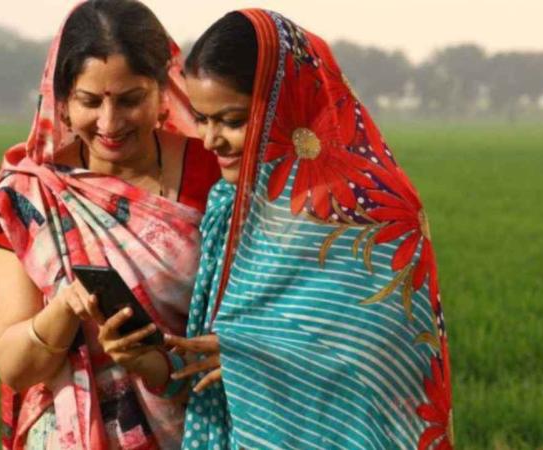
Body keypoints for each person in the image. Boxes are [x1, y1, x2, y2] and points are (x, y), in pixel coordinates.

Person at [165, 10, 454, 450]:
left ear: (287, 105)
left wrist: (249, 356)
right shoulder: (229, 203)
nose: (210, 140)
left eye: (233, 121)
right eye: (202, 119)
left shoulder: (370, 209)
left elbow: (385, 355)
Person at [0, 1, 220, 448]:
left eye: (130, 100)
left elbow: (260, 319)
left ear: (164, 90)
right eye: (90, 101)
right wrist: (65, 309)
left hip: (202, 426)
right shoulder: (29, 195)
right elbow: (14, 367)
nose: (110, 123)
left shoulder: (216, 172)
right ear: (63, 102)